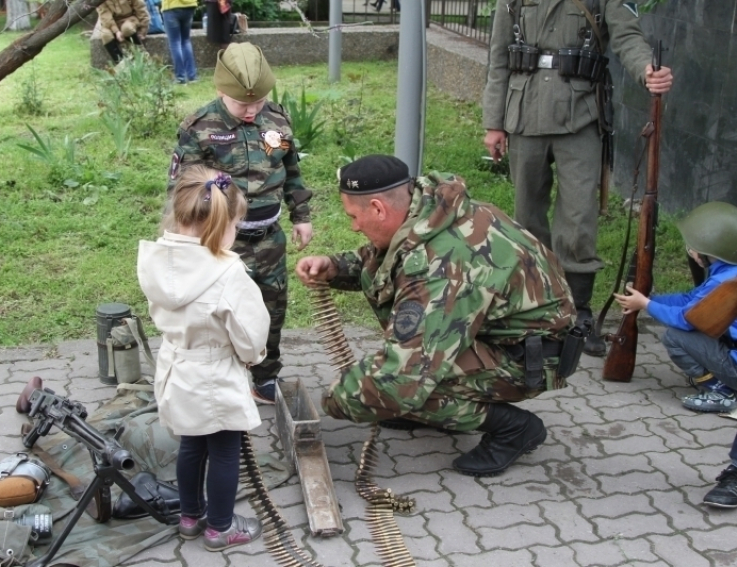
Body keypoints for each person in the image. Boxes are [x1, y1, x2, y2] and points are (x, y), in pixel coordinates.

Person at [295, 155, 577, 477]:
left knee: (407, 385)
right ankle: (427, 407)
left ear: (378, 208)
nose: (354, 226)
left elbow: (402, 377)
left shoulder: (443, 265)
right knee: (404, 381)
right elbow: (394, 257)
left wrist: (334, 400)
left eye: (354, 217)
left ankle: (515, 429)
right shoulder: (434, 212)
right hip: (504, 337)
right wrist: (334, 267)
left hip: (532, 361)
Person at [482, 0, 673, 357]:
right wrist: (493, 123)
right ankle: (535, 309)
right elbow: (498, 58)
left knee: (579, 217)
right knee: (527, 217)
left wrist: (647, 69)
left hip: (581, 115)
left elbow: (627, 37)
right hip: (524, 113)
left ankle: (578, 312)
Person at [168, 42, 314, 404]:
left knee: (271, 310)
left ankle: (265, 376)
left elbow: (291, 170)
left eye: (258, 102)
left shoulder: (277, 120)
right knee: (217, 313)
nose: (251, 111)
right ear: (221, 91)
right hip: (221, 242)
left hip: (269, 240)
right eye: (241, 104)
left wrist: (302, 216)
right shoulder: (199, 128)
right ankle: (220, 377)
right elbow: (183, 191)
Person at [137, 165, 268, 550]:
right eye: (236, 226)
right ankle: (221, 528)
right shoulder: (227, 272)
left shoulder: (156, 260)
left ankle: (190, 518)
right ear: (221, 225)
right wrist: (251, 357)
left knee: (192, 445)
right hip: (215, 371)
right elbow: (249, 332)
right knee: (225, 450)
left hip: (177, 365)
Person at [611, 201, 737, 507]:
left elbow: (687, 318)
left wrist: (647, 306)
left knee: (678, 335)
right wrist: (649, 298)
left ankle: (722, 391)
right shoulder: (725, 273)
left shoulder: (727, 282)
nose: (690, 251)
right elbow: (689, 300)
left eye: (695, 248)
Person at [161, 0, 198, 84]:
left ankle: (180, 77)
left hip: (171, 7)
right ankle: (192, 76)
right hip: (189, 6)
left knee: (175, 43)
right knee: (186, 41)